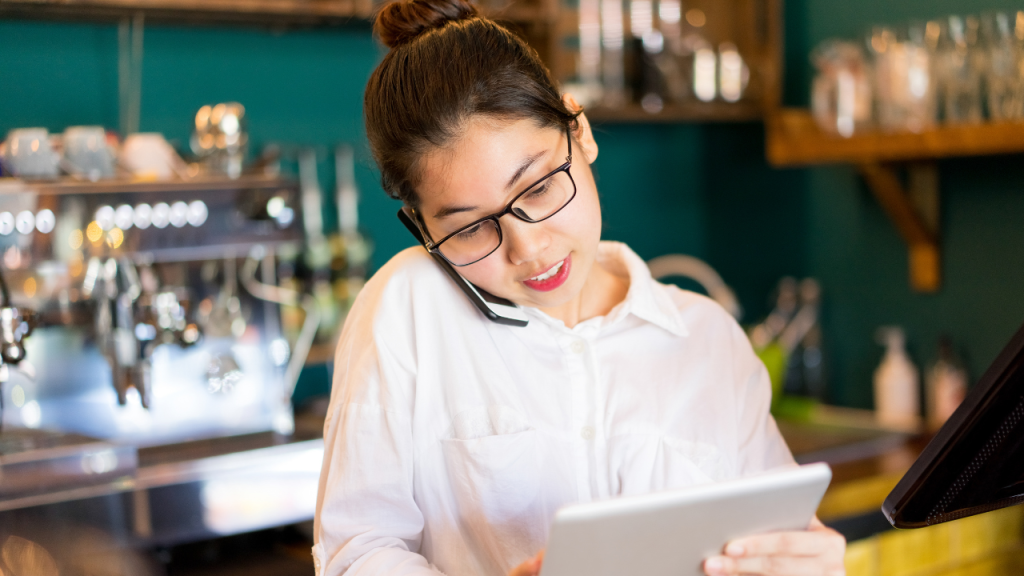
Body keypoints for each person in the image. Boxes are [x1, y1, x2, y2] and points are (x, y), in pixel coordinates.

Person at [312, 0, 847, 574]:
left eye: (539, 188)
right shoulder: (407, 309)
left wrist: (806, 562)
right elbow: (356, 552)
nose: (528, 248)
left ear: (579, 131)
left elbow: (772, 536)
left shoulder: (708, 338)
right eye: (469, 228)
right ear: (422, 227)